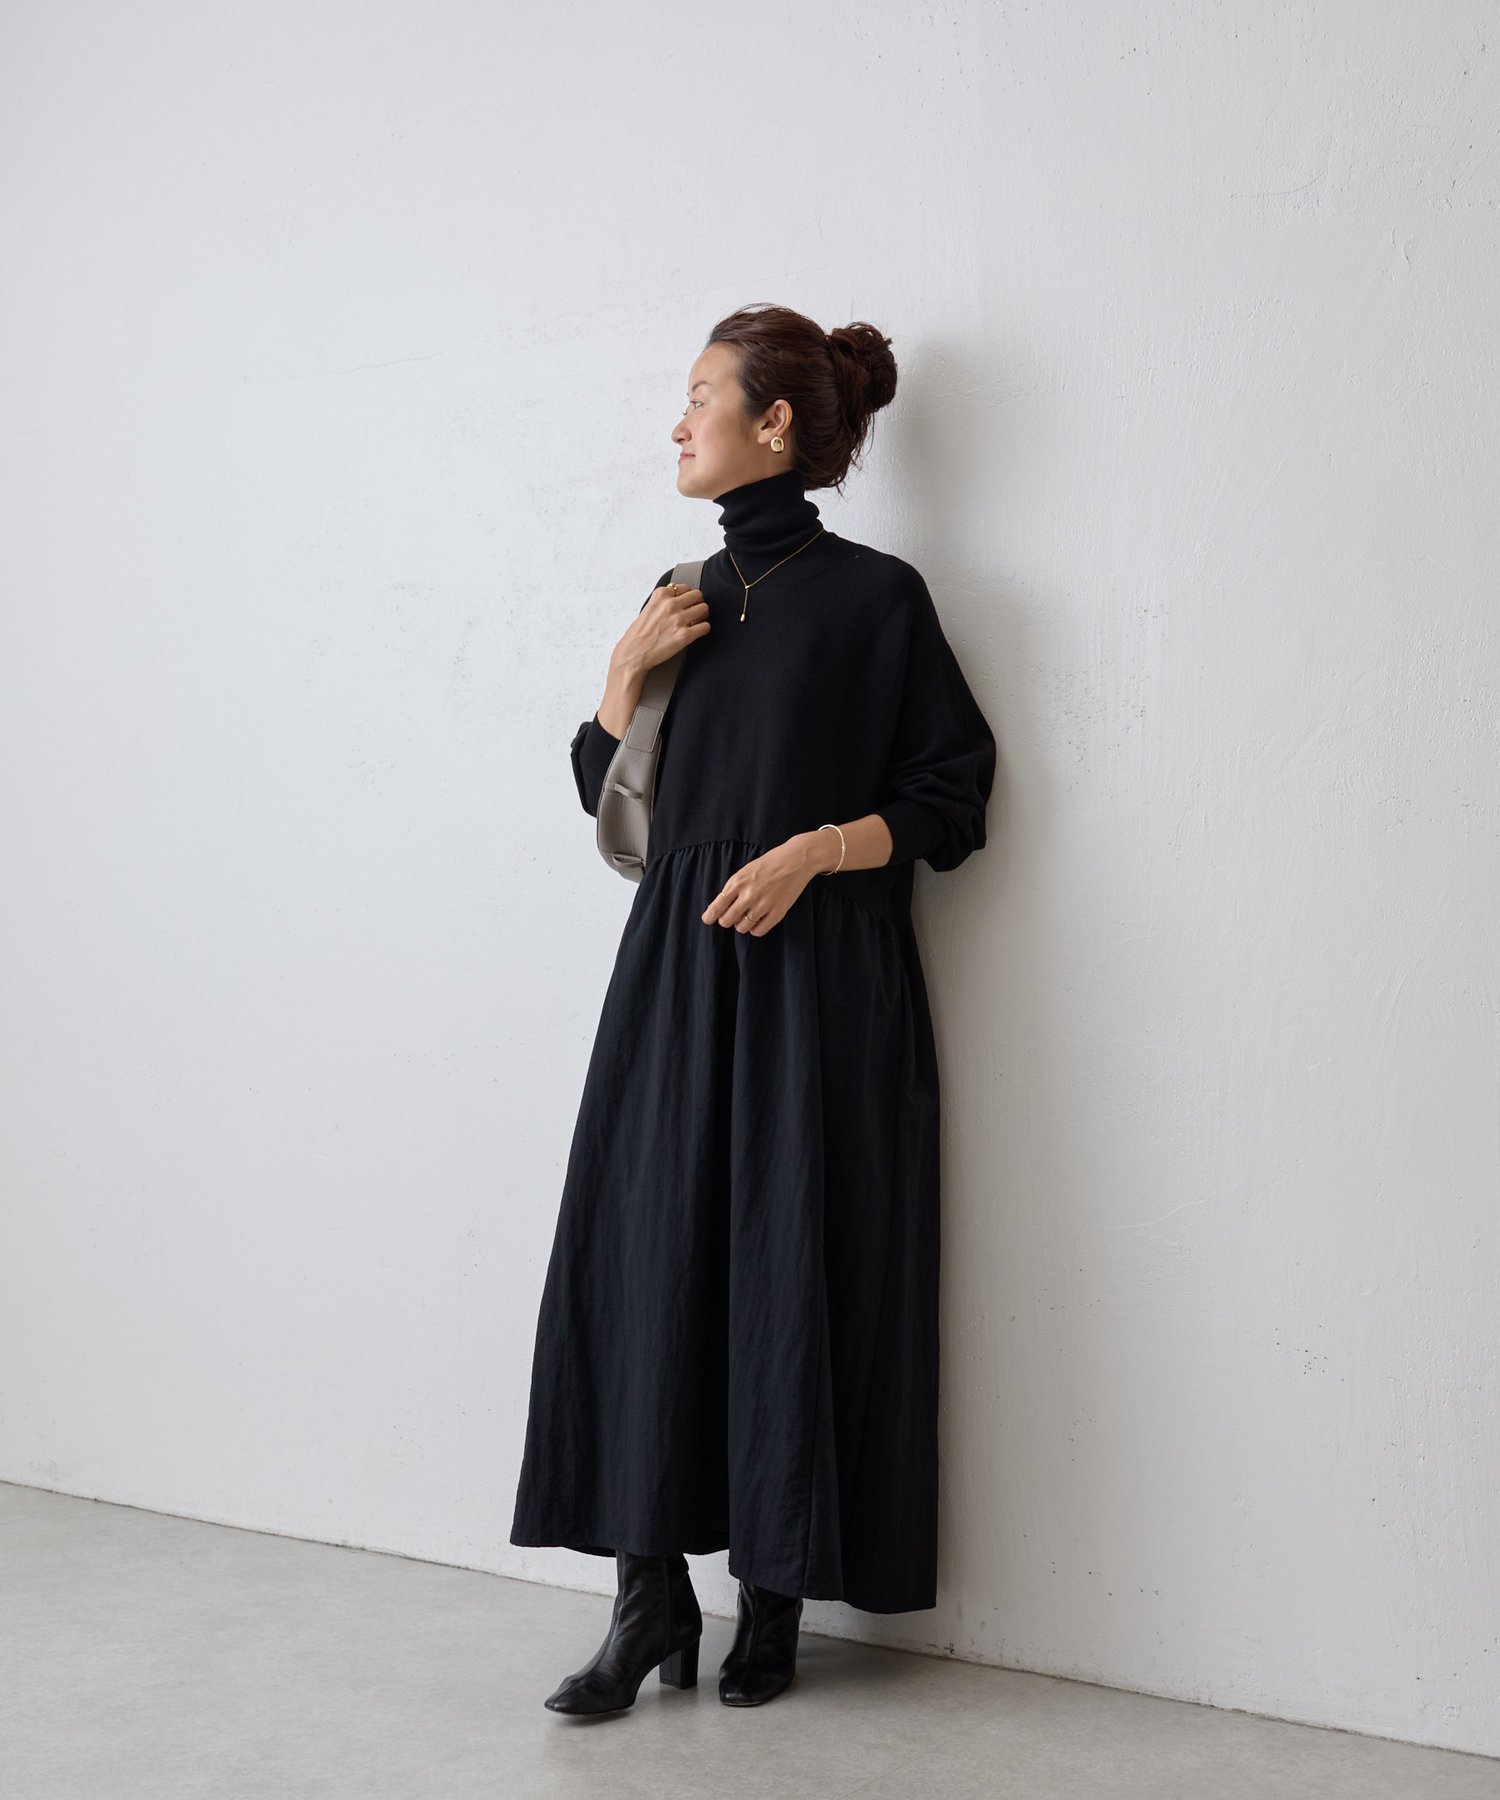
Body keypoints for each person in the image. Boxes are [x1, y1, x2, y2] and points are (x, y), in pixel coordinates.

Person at [510, 302, 997, 1716]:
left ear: (773, 424)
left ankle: (771, 1599)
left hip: (821, 979)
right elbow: (614, 802)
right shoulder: (678, 593)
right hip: (675, 972)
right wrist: (621, 673)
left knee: (793, 1259)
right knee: (644, 1256)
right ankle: (647, 1595)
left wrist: (816, 852)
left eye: (701, 396)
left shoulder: (877, 600)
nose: (678, 424)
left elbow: (953, 798)